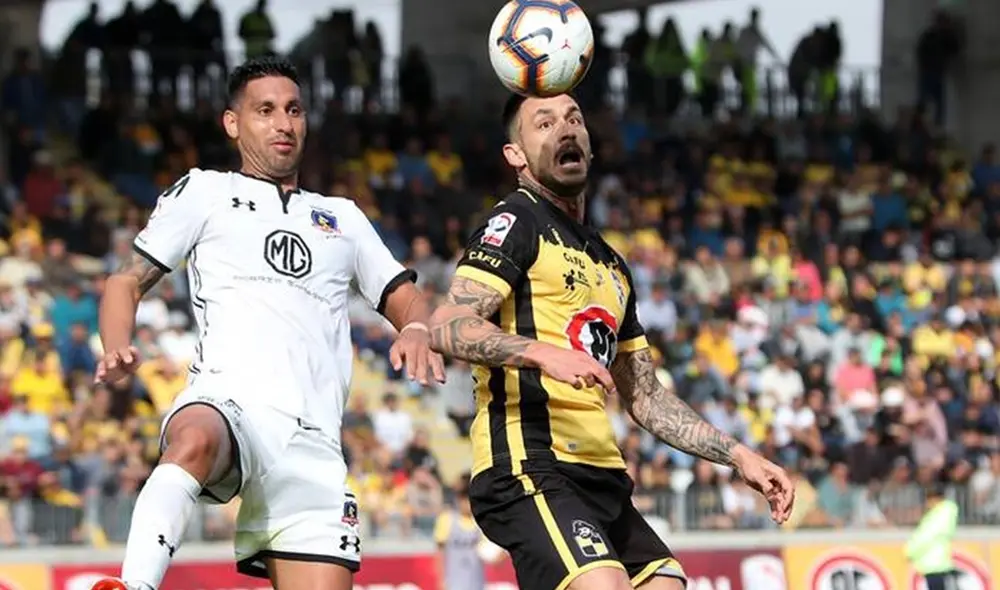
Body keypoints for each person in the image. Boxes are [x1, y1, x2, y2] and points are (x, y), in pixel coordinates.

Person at [90, 56, 444, 590]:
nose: (283, 123)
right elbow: (124, 282)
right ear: (233, 124)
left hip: (314, 448)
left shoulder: (343, 218)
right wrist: (116, 344)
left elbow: (409, 301)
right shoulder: (204, 192)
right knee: (193, 438)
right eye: (265, 110)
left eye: (294, 110)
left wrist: (416, 328)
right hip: (231, 405)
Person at [428, 93, 794, 590]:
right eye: (544, 122)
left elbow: (645, 395)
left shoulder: (612, 264)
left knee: (668, 585)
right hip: (529, 463)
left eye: (574, 119)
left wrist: (739, 456)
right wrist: (540, 352)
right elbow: (448, 322)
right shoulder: (517, 221)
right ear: (516, 154)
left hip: (602, 476)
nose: (566, 128)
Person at [905, 481, 959, 590]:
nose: (927, 503)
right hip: (936, 566)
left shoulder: (939, 515)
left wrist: (910, 550)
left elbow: (926, 536)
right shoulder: (940, 514)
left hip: (936, 566)